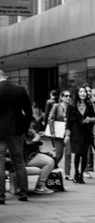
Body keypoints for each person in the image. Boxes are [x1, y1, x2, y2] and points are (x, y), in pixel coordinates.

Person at [0, 69, 33, 203]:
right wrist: (23, 128)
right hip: (16, 131)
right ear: (5, 76)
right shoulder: (20, 90)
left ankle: (1, 196)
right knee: (19, 161)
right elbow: (29, 113)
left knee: (0, 163)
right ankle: (23, 192)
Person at [66, 86, 95, 184]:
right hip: (76, 132)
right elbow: (68, 121)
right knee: (78, 153)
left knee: (84, 154)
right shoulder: (72, 105)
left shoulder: (89, 104)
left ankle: (82, 174)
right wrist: (67, 134)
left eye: (84, 91)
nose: (83, 93)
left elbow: (94, 118)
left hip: (87, 132)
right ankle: (76, 173)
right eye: (81, 91)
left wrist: (90, 119)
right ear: (77, 93)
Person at [23, 128, 57, 194]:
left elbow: (35, 134)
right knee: (49, 162)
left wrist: (34, 139)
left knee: (49, 158)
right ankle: (40, 185)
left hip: (21, 158)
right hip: (26, 158)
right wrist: (33, 141)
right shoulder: (21, 130)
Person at [46, 90, 72, 177]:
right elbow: (51, 118)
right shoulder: (56, 106)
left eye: (69, 96)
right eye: (65, 96)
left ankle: (67, 173)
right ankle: (50, 167)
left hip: (67, 132)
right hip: (58, 133)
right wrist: (52, 132)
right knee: (59, 154)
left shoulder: (71, 107)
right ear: (61, 97)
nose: (68, 97)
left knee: (68, 153)